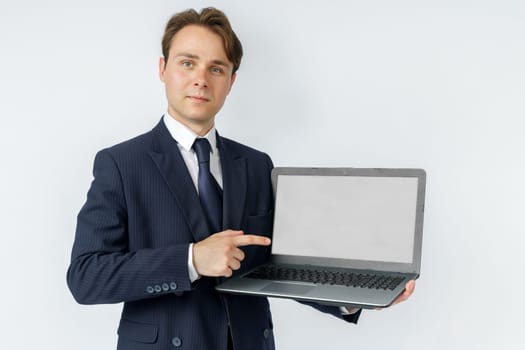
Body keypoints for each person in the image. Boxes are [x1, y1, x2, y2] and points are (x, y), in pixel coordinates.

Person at [66, 7, 415, 350]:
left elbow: (278, 266)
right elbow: (86, 277)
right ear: (163, 69)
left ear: (231, 81)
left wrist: (353, 298)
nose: (201, 78)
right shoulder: (121, 163)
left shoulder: (256, 164)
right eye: (187, 63)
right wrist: (191, 260)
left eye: (216, 68)